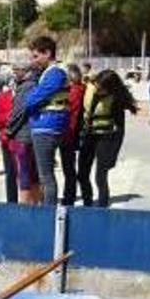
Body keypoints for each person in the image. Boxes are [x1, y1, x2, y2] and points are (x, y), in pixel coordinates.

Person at [78, 69, 138, 208]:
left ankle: (102, 206)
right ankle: (87, 202)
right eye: (97, 84)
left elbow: (120, 129)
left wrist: (113, 154)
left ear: (110, 88)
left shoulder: (115, 99)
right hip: (88, 135)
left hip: (106, 138)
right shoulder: (89, 88)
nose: (98, 88)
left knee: (100, 174)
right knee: (81, 173)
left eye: (102, 87)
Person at [25, 36, 70, 206]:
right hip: (47, 125)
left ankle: (49, 212)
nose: (33, 60)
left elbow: (32, 100)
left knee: (46, 175)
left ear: (47, 53)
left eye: (36, 56)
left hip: (47, 126)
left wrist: (29, 103)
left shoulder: (55, 73)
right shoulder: (50, 73)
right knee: (45, 174)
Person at [6, 64, 42, 205]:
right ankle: (35, 206)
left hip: (23, 136)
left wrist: (9, 130)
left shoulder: (26, 87)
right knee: (35, 176)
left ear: (27, 72)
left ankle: (25, 209)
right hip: (35, 134)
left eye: (17, 69)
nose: (14, 72)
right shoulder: (39, 84)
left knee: (24, 175)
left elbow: (19, 112)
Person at [61, 63, 85, 206]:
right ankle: (70, 194)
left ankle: (69, 196)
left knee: (68, 167)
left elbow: (71, 113)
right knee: (69, 167)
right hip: (71, 133)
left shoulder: (74, 91)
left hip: (69, 133)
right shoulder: (80, 89)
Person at [0, 76, 18, 204]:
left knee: (24, 173)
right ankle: (11, 201)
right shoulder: (3, 96)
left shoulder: (25, 96)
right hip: (6, 140)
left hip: (22, 140)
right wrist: (12, 116)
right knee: (10, 173)